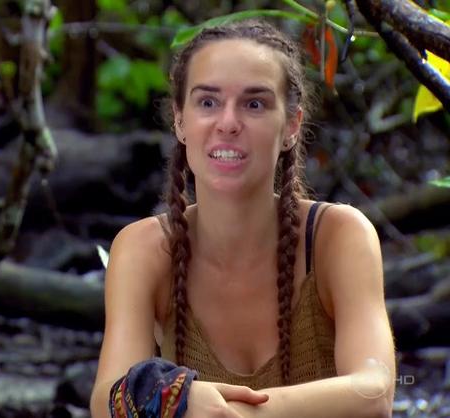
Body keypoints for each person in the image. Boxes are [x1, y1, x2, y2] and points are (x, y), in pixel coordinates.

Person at [90, 20, 396, 418]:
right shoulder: (145, 249)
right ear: (180, 121)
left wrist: (227, 413)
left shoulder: (337, 236)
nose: (228, 123)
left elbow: (374, 390)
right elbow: (105, 400)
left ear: (291, 125)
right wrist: (173, 398)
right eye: (208, 102)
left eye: (254, 104)